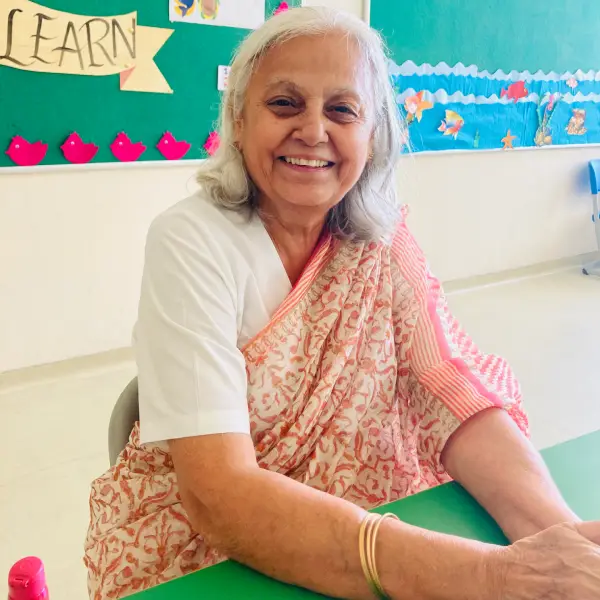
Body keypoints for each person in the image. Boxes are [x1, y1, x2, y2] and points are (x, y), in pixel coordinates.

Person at [84, 7, 600, 599]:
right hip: (206, 548)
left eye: (342, 110)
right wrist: (492, 576)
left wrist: (560, 539)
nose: (312, 130)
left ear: (372, 135)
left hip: (366, 511)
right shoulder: (192, 240)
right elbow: (217, 494)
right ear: (238, 120)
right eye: (284, 103)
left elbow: (449, 388)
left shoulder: (382, 238)